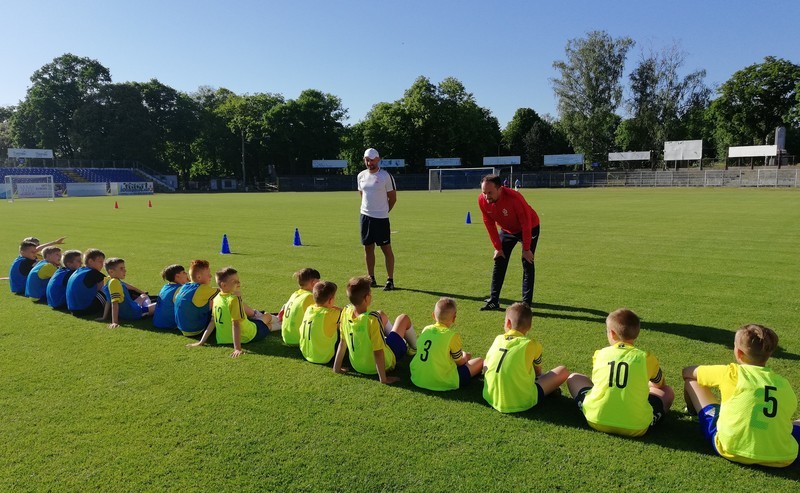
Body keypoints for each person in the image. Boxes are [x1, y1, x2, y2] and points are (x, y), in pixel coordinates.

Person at [683, 324, 800, 468]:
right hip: (783, 456)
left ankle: (692, 412)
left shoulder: (731, 373)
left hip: (731, 449)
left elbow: (687, 372)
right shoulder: (784, 384)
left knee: (692, 382)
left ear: (738, 353)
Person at [567, 308, 674, 437]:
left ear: (612, 333)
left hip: (595, 420)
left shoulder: (600, 354)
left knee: (574, 377)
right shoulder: (646, 358)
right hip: (637, 428)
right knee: (667, 391)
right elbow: (659, 385)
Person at [483, 302, 568, 412]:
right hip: (522, 401)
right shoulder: (532, 344)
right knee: (563, 371)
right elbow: (538, 373)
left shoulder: (498, 338)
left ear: (508, 323)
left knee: (486, 361)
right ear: (530, 326)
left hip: (490, 396)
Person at [332, 276, 417, 384]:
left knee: (381, 313)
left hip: (357, 365)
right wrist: (383, 379)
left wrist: (336, 368)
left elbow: (342, 343)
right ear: (367, 298)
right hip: (383, 363)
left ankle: (391, 338)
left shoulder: (345, 312)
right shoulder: (372, 318)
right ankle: (414, 349)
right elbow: (378, 352)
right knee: (403, 318)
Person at [478, 174, 540, 311]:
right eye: (484, 193)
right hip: (507, 230)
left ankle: (526, 305)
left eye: (490, 193)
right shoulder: (482, 200)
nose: (486, 197)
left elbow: (526, 223)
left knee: (527, 262)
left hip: (529, 227)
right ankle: (494, 300)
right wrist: (497, 247)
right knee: (500, 260)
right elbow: (489, 223)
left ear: (500, 189)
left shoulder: (515, 198)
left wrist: (526, 248)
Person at [188, 267, 279, 358]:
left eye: (238, 280)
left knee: (257, 320)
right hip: (248, 335)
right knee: (267, 318)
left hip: (223, 339)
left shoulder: (216, 298)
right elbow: (235, 324)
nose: (238, 283)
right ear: (223, 285)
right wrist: (237, 348)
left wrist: (201, 342)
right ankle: (282, 321)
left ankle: (279, 321)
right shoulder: (233, 300)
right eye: (234, 281)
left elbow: (213, 321)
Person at [410, 297, 484, 391]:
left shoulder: (426, 329)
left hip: (417, 376)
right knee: (480, 361)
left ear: (433, 315)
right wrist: (466, 356)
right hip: (442, 380)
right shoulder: (452, 336)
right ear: (454, 318)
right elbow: (460, 363)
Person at [357, 148, 397, 291]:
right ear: (364, 160)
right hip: (365, 217)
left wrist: (384, 211)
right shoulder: (361, 176)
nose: (370, 162)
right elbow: (362, 195)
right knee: (368, 248)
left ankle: (390, 280)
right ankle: (371, 278)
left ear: (378, 159)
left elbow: (392, 198)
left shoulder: (386, 176)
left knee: (386, 248)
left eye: (372, 160)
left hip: (381, 218)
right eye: (367, 160)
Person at [100, 258, 156, 328]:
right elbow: (114, 303)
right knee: (159, 305)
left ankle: (147, 309)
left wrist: (104, 317)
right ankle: (145, 311)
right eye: (121, 268)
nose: (125, 270)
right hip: (134, 313)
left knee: (144, 296)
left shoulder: (109, 280)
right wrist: (115, 322)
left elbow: (108, 300)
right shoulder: (114, 282)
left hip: (130, 308)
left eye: (124, 268)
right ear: (111, 271)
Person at [298, 281, 342, 365]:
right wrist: (339, 309)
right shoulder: (330, 314)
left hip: (305, 353)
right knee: (345, 328)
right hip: (323, 357)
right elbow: (347, 314)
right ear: (330, 300)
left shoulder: (310, 308)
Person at [174, 260, 219, 337]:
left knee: (208, 300)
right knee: (222, 300)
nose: (211, 276)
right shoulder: (202, 288)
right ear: (199, 277)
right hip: (196, 329)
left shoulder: (185, 286)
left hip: (182, 328)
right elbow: (224, 290)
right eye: (208, 274)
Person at [280, 268, 320, 346]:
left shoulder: (295, 294)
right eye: (319, 282)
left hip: (286, 337)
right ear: (313, 282)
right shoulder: (309, 297)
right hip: (298, 340)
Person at [66, 248, 108, 317]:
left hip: (73, 309)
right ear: (91, 261)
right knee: (110, 288)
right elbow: (114, 283)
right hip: (85, 309)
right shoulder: (93, 272)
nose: (102, 265)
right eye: (100, 262)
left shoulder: (79, 270)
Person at [152, 264, 189, 330]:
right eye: (183, 272)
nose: (186, 274)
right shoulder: (179, 289)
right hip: (169, 324)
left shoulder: (166, 286)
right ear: (177, 276)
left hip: (157, 322)